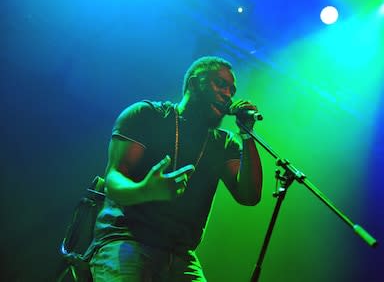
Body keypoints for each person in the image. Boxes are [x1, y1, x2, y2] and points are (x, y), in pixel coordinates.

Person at [87, 56, 263, 281]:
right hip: (127, 238)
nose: (227, 94)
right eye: (220, 84)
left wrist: (248, 136)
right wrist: (145, 190)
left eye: (232, 90)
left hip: (181, 254)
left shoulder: (223, 143)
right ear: (193, 83)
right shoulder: (147, 115)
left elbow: (249, 196)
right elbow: (113, 179)